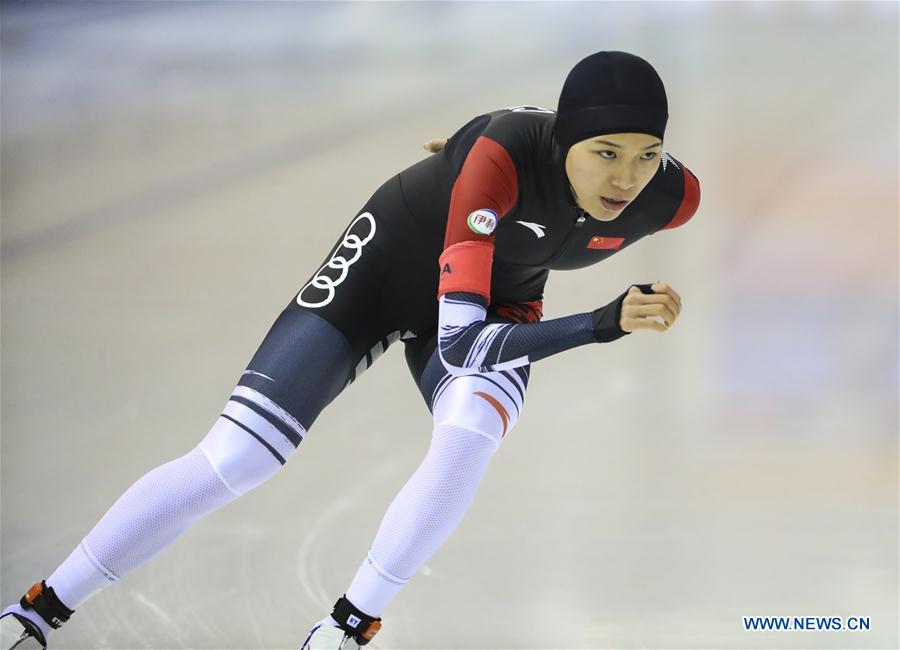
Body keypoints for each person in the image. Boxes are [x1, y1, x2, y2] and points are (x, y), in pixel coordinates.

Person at [1, 50, 700, 650]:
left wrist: (465, 148)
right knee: (237, 457)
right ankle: (36, 611)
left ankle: (345, 629)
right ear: (564, 141)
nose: (625, 179)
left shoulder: (672, 197)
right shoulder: (506, 157)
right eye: (605, 152)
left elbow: (533, 151)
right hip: (382, 273)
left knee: (470, 434)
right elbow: (461, 345)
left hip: (498, 298)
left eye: (647, 155)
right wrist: (597, 323)